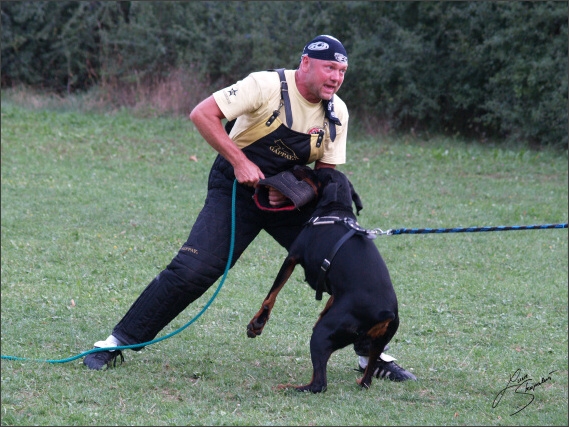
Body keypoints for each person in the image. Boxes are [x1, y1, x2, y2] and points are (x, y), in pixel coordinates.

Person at [83, 35, 416, 382]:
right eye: (329, 67)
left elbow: (325, 177)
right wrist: (240, 162)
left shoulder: (337, 112)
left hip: (287, 200)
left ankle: (369, 354)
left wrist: (293, 194)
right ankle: (115, 343)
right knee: (194, 269)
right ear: (306, 64)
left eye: (342, 71)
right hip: (235, 190)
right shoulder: (265, 85)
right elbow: (203, 114)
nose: (336, 77)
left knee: (350, 263)